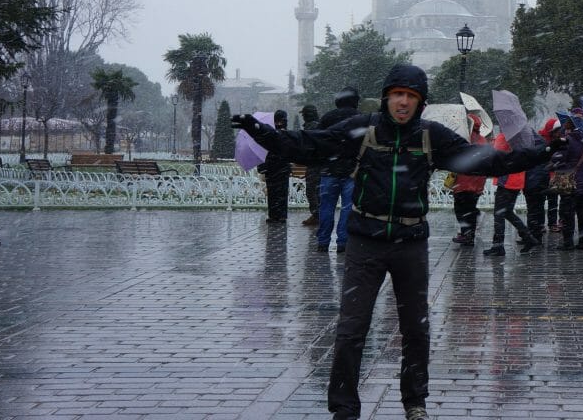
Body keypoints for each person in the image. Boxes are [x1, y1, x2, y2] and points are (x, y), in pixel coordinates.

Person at [231, 64, 563, 420]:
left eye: (411, 97)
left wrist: (540, 153)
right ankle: (344, 408)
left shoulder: (430, 136)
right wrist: (261, 132)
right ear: (388, 96)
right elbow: (309, 144)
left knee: (415, 328)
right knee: (350, 329)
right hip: (365, 241)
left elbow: (488, 161)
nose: (403, 103)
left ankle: (414, 402)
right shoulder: (364, 129)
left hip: (410, 242)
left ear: (420, 102)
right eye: (398, 95)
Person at [315, 88, 361, 253]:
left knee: (326, 207)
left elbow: (317, 140)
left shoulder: (328, 117)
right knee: (348, 208)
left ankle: (323, 241)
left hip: (329, 170)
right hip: (351, 171)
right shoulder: (360, 118)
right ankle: (343, 241)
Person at [484, 131, 541, 256]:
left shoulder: (507, 136)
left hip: (507, 179)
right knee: (507, 212)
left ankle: (498, 246)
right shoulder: (520, 136)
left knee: (499, 214)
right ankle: (528, 238)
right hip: (516, 178)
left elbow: (496, 154)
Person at [551, 113, 583, 250]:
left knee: (567, 213)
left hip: (570, 182)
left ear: (572, 124)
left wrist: (555, 156)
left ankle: (568, 243)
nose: (565, 124)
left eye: (568, 122)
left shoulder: (568, 140)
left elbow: (558, 158)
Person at [449, 113, 487, 247]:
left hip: (464, 180)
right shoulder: (482, 140)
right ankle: (469, 234)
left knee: (460, 209)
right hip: (477, 181)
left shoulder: (465, 139)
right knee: (469, 208)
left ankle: (467, 234)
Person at [258, 109, 291, 223]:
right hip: (278, 167)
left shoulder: (269, 134)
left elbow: (262, 151)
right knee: (277, 192)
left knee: (275, 192)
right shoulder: (286, 135)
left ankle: (276, 215)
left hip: (274, 168)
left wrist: (262, 167)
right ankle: (278, 215)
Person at [300, 104, 322, 227]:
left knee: (312, 191)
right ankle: (318, 215)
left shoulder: (310, 127)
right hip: (319, 163)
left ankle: (316, 215)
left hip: (314, 164)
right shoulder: (319, 125)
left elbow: (306, 147)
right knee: (317, 191)